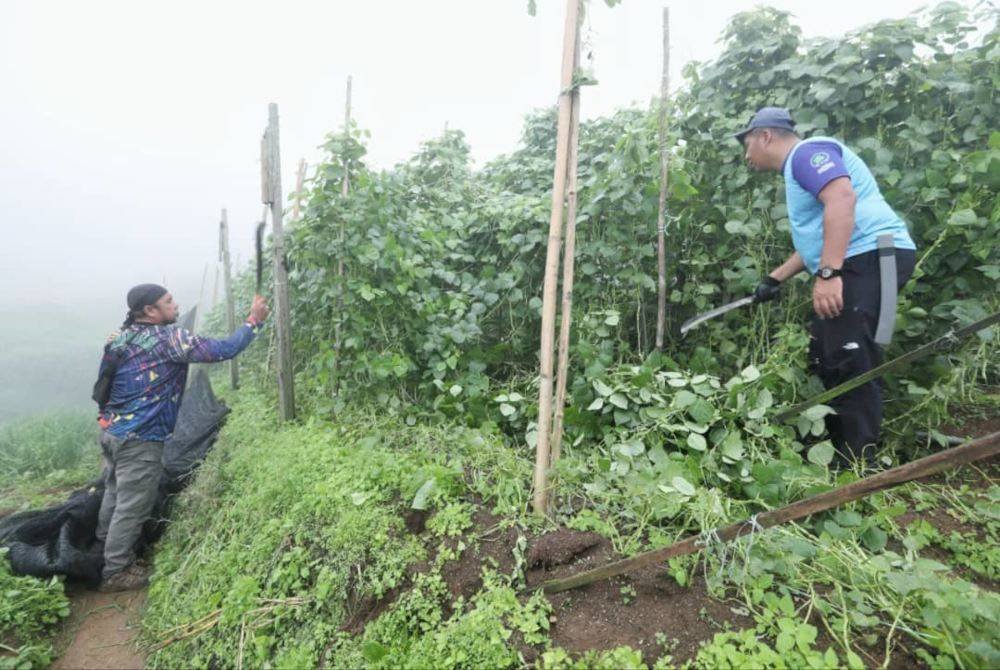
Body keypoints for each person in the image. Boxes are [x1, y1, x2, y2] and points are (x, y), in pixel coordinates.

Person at [736, 107, 917, 467]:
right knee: (828, 353)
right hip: (862, 259)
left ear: (765, 136)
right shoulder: (797, 169)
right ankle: (838, 449)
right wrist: (775, 278)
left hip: (870, 257)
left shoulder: (807, 153)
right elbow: (820, 235)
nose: (746, 155)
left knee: (851, 355)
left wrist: (829, 274)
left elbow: (842, 200)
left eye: (747, 144)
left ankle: (854, 464)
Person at [94, 283, 268, 591]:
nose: (175, 305)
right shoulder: (170, 339)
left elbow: (104, 382)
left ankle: (104, 547)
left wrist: (105, 416)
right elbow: (224, 350)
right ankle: (116, 570)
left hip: (111, 431)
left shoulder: (121, 338)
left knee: (114, 491)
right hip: (140, 438)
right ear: (150, 311)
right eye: (169, 301)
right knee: (132, 504)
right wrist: (253, 320)